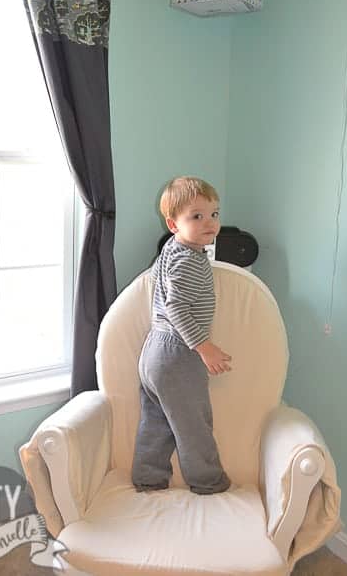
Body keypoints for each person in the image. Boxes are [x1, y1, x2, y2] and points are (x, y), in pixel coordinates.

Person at [132, 176, 232, 495]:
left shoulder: (172, 251)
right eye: (197, 216)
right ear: (174, 224)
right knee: (193, 424)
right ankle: (209, 481)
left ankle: (148, 478)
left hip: (153, 354)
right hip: (177, 355)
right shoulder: (190, 260)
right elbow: (176, 307)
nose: (210, 223)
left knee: (157, 423)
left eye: (214, 214)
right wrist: (204, 347)